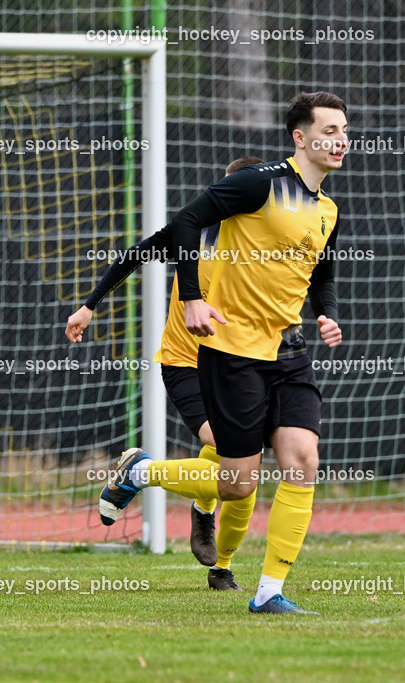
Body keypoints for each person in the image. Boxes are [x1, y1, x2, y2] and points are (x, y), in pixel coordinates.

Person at [97, 92, 346, 614]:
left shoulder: (327, 209)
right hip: (225, 355)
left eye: (344, 131)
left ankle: (265, 589)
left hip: (288, 351)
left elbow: (321, 271)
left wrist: (326, 312)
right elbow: (180, 225)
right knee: (238, 482)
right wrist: (186, 298)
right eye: (329, 131)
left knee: (303, 459)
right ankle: (142, 473)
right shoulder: (259, 185)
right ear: (300, 138)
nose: (341, 140)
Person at [66, 156, 264, 591]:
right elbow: (135, 255)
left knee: (245, 467)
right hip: (185, 362)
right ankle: (139, 471)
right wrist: (89, 305)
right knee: (230, 448)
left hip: (239, 364)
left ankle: (220, 563)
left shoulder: (268, 244)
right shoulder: (194, 230)